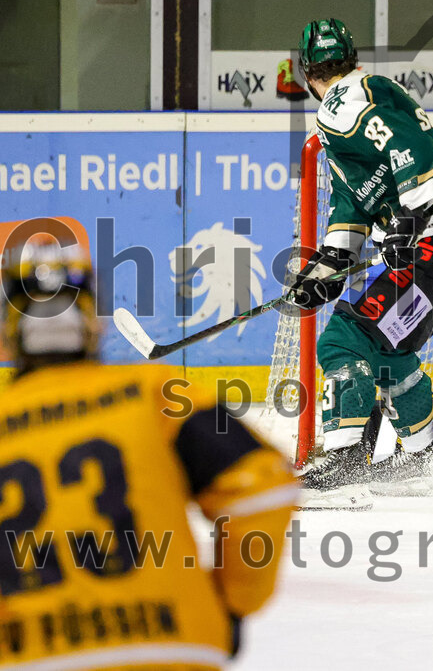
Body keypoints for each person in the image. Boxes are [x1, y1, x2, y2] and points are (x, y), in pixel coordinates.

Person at [0, 234, 295, 669]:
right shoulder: (155, 393)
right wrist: (235, 602)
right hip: (174, 646)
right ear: (90, 321)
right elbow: (263, 488)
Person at [289, 18, 433, 505]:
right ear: (350, 57)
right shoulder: (364, 91)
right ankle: (426, 458)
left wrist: (411, 217)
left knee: (343, 339)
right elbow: (355, 199)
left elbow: (409, 146)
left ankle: (345, 460)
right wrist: (329, 266)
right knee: (388, 349)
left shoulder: (341, 103)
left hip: (431, 238)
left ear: (309, 73)